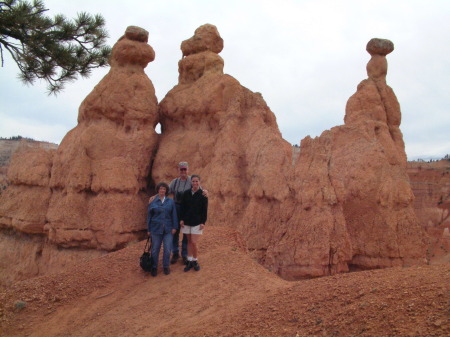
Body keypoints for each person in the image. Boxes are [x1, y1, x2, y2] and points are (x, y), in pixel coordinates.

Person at [149, 161, 208, 265]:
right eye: (181, 169)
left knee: (186, 233)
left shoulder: (192, 180)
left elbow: (200, 190)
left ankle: (185, 254)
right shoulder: (174, 182)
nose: (183, 171)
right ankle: (175, 253)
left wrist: (206, 191)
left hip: (188, 210)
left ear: (188, 170)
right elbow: (165, 192)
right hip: (175, 208)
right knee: (175, 231)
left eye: (185, 169)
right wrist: (155, 196)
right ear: (179, 170)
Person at [147, 182, 178, 277]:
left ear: (166, 191)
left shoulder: (170, 201)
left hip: (168, 229)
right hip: (155, 229)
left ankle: (166, 266)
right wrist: (149, 229)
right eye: (161, 189)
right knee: (155, 250)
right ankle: (154, 267)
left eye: (164, 189)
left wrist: (175, 227)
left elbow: (174, 215)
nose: (162, 190)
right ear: (158, 190)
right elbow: (149, 216)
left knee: (168, 249)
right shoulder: (153, 202)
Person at [180, 174, 208, 272]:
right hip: (187, 221)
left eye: (196, 181)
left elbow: (204, 210)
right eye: (193, 181)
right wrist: (181, 219)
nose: (195, 183)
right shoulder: (186, 193)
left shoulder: (203, 194)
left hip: (197, 222)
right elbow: (182, 207)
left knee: (194, 242)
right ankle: (189, 260)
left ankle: (195, 260)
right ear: (191, 182)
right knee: (188, 242)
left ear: (199, 182)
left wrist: (203, 222)